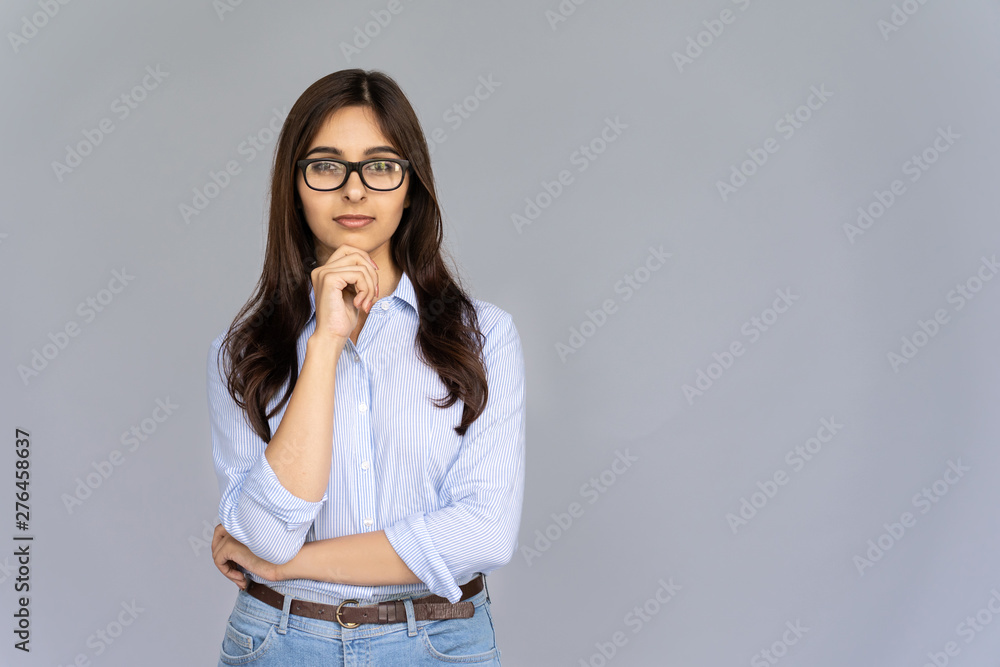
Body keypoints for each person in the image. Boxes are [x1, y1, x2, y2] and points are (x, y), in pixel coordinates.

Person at [205, 69, 526, 666]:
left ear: (411, 187)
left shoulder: (483, 337)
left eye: (380, 166)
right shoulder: (245, 349)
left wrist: (287, 564)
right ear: (294, 187)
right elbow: (269, 533)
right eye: (326, 166)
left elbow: (482, 534)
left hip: (440, 642)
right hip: (280, 643)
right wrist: (324, 344)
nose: (355, 191)